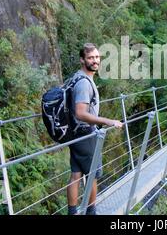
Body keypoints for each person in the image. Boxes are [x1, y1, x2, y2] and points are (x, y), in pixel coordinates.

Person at [67, 43, 123, 215]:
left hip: (74, 133)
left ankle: (72, 212)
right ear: (82, 60)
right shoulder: (84, 84)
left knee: (76, 174)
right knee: (92, 175)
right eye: (90, 57)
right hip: (85, 134)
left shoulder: (76, 77)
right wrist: (108, 121)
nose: (95, 61)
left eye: (97, 57)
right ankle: (91, 212)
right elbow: (81, 113)